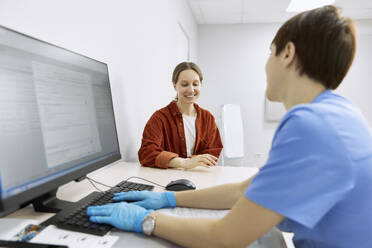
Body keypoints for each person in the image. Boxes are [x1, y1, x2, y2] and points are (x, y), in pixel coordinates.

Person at [87, 6, 372, 248]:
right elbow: (241, 192)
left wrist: (144, 220)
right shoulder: (337, 115)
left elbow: (225, 237)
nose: (266, 64)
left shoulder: (310, 125)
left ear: (287, 53)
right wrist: (168, 197)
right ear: (174, 86)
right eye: (184, 84)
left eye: (270, 52)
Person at [137, 61, 223, 169]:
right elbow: (146, 153)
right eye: (184, 84)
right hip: (166, 180)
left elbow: (213, 151)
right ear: (175, 86)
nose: (191, 90)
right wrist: (182, 163)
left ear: (201, 84)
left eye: (195, 84)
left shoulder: (208, 118)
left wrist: (193, 162)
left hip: (199, 177)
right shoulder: (159, 118)